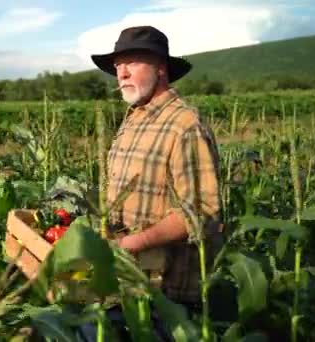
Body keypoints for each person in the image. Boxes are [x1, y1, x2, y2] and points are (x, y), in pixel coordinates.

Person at [78, 25, 224, 341]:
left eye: (132, 62)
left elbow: (201, 212)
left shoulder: (184, 125)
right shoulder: (133, 119)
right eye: (117, 66)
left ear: (160, 68)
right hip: (126, 280)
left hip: (165, 294)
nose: (122, 73)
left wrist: (135, 243)